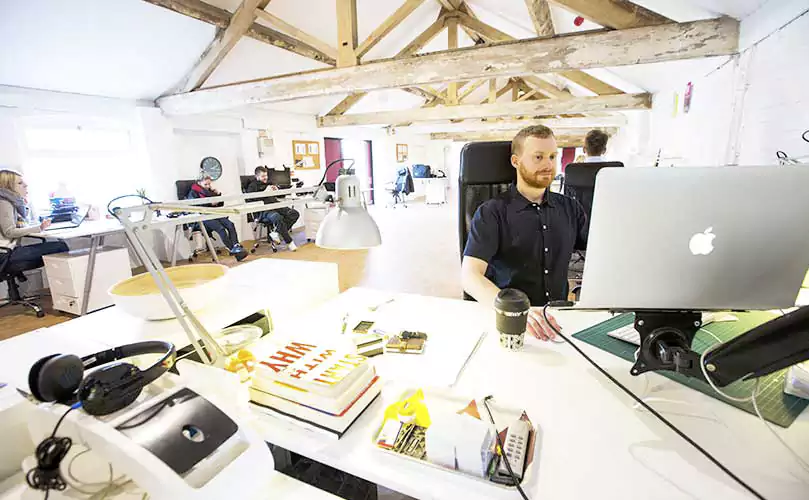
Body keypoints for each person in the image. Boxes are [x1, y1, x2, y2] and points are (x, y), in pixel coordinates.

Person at [461, 125, 588, 341]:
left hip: (559, 320)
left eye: (552, 156)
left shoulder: (570, 208)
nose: (548, 165)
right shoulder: (492, 212)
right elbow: (470, 276)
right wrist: (513, 310)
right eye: (538, 157)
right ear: (516, 161)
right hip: (511, 321)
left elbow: (596, 253)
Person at [0, 168, 68, 270]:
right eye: (20, 183)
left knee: (57, 247)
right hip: (5, 254)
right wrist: (39, 228)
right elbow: (9, 232)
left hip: (7, 252)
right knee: (60, 247)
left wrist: (24, 203)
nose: (26, 185)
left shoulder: (12, 202)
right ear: (8, 187)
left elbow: (23, 220)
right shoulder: (4, 203)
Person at [186, 174, 248, 261]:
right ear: (199, 183)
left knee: (230, 224)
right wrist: (210, 203)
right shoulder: (193, 193)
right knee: (221, 229)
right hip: (203, 217)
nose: (208, 186)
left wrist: (218, 195)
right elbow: (196, 207)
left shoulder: (210, 191)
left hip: (215, 214)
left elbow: (220, 205)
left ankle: (236, 245)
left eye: (209, 184)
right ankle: (233, 250)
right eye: (205, 184)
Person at [245, 166, 300, 252]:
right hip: (263, 210)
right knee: (277, 217)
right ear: (257, 176)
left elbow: (281, 195)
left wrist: (277, 191)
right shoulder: (252, 186)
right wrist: (265, 193)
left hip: (275, 205)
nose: (265, 178)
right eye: (263, 176)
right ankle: (289, 242)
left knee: (294, 213)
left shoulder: (269, 183)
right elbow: (249, 201)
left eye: (266, 175)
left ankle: (276, 233)